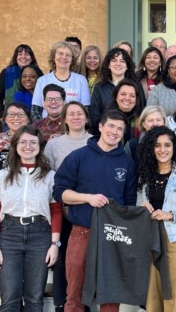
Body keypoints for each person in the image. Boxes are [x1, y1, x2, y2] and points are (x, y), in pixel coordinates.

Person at [53, 110, 138, 312]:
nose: (114, 132)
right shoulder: (78, 157)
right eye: (111, 126)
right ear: (100, 127)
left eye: (120, 129)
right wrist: (87, 198)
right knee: (74, 293)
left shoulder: (127, 163)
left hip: (112, 235)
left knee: (110, 296)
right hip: (82, 232)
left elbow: (129, 204)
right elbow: (59, 192)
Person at [0, 125, 61, 312]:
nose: (28, 146)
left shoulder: (50, 176)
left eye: (33, 142)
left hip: (40, 235)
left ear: (39, 146)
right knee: (9, 298)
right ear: (16, 145)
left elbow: (56, 211)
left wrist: (54, 244)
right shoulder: (3, 176)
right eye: (23, 142)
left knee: (34, 298)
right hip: (9, 235)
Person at [137, 126, 176, 312]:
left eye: (167, 145)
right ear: (151, 148)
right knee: (153, 295)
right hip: (151, 239)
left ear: (174, 148)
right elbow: (138, 204)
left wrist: (171, 214)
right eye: (157, 145)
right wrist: (141, 206)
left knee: (175, 294)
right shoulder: (145, 176)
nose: (162, 149)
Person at [43, 101, 92, 311]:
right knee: (63, 260)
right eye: (71, 114)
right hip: (62, 211)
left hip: (88, 212)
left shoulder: (95, 142)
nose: (75, 117)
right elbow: (48, 177)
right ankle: (61, 303)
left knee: (85, 260)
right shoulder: (54, 144)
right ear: (64, 119)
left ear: (87, 117)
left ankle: (85, 303)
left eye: (79, 113)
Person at [31, 41, 89, 121]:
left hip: (73, 128)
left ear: (72, 60)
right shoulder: (42, 81)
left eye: (68, 55)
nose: (64, 57)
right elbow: (35, 111)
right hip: (47, 129)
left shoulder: (81, 80)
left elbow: (86, 109)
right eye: (60, 53)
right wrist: (43, 128)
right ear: (53, 57)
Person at [0, 44, 40, 132]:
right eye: (20, 54)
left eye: (26, 54)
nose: (23, 56)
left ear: (31, 58)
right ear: (16, 57)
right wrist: (2, 115)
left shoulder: (38, 73)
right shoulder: (6, 73)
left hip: (34, 119)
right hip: (10, 119)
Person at [89, 47, 137, 132]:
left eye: (122, 61)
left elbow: (140, 112)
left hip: (130, 135)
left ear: (127, 66)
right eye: (114, 61)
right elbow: (94, 118)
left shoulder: (135, 86)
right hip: (105, 135)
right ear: (108, 65)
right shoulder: (99, 87)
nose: (118, 64)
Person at [0, 103, 31, 187]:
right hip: (2, 194)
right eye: (11, 115)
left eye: (21, 114)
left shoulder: (38, 143)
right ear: (5, 119)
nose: (16, 118)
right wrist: (0, 195)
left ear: (28, 119)